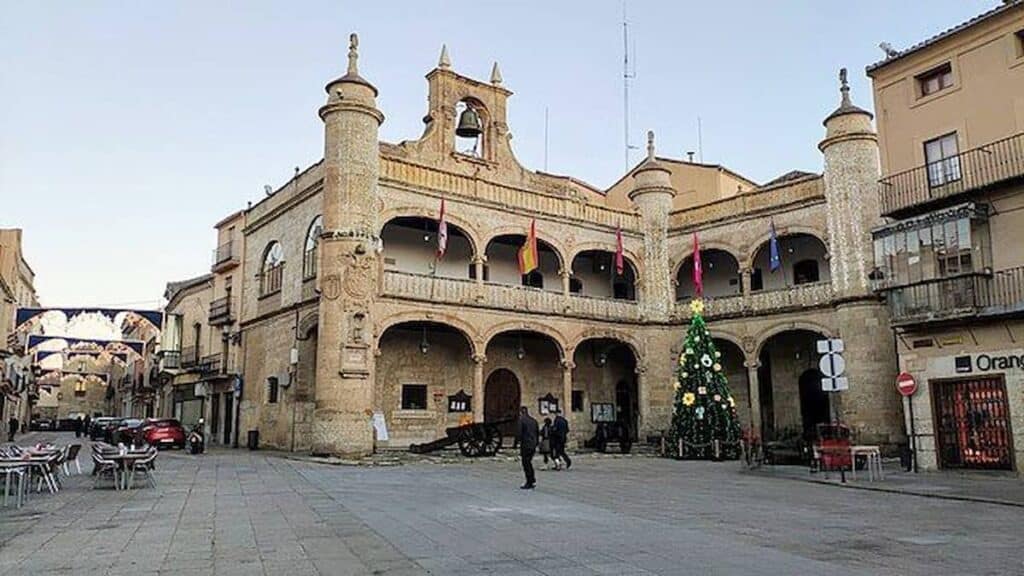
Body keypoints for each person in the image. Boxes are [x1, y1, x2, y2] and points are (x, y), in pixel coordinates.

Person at [518, 406, 539, 489]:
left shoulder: (522, 421)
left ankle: (529, 481)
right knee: (529, 462)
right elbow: (537, 432)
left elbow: (519, 433)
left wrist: (517, 442)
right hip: (533, 444)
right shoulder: (534, 421)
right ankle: (532, 479)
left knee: (526, 463)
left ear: (521, 412)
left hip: (526, 444)